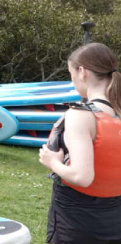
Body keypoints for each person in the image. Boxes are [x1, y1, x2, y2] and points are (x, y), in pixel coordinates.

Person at [39, 43, 121, 244]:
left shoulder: (81, 115)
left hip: (77, 219)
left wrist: (52, 162)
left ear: (82, 72)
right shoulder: (117, 113)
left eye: (71, 74)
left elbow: (82, 177)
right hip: (115, 217)